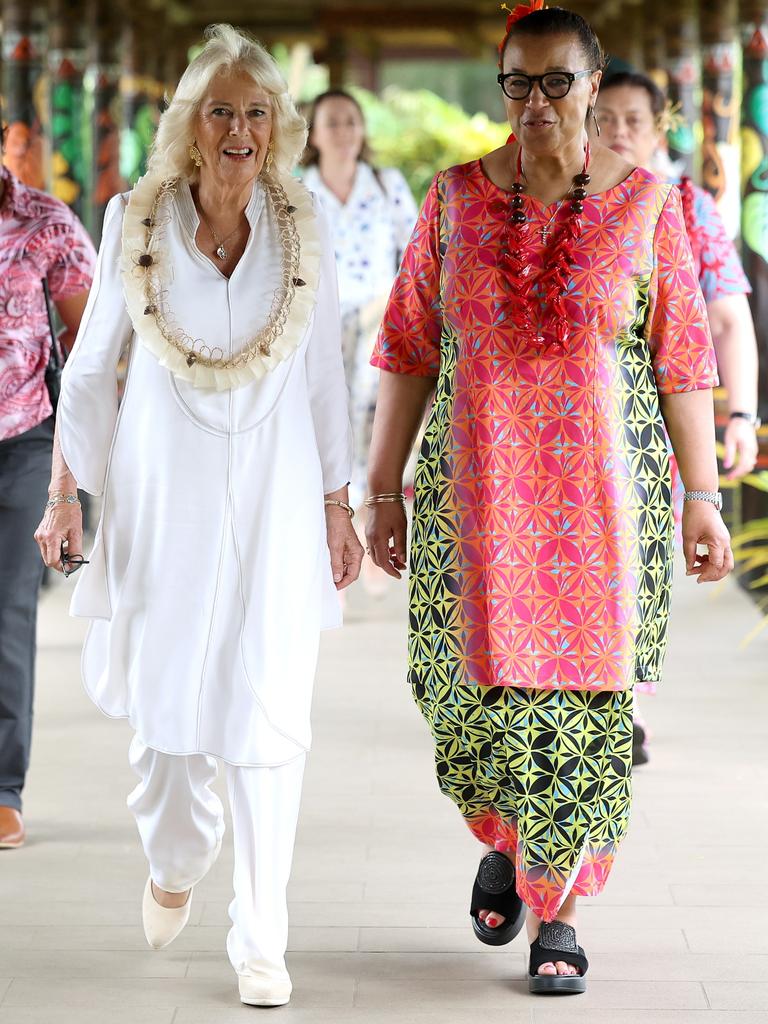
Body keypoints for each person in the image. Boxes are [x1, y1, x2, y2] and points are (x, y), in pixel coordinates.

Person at [365, 2, 733, 996]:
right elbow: (407, 347)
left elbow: (685, 359)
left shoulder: (651, 208)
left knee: (587, 713)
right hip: (474, 502)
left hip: (605, 512)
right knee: (471, 703)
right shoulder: (450, 201)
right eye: (518, 82)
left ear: (595, 83)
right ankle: (509, 835)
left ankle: (558, 912)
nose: (536, 102)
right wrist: (378, 488)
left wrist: (703, 495)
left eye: (557, 81)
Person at [34, 24, 361, 1008]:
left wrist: (340, 503)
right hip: (162, 485)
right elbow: (90, 371)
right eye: (220, 109)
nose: (239, 129)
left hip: (276, 490)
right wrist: (65, 490)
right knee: (168, 725)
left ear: (278, 127)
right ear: (187, 124)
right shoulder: (136, 216)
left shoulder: (307, 226)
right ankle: (177, 853)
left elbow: (325, 381)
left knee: (269, 708)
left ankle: (262, 937)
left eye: (256, 112)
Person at [596, 71, 760, 765]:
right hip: (583, 419)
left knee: (640, 561)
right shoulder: (562, 200)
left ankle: (621, 702)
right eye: (604, 118)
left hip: (667, 422)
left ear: (659, 130)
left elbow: (728, 316)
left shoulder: (686, 205)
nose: (619, 131)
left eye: (634, 119)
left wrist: (743, 414)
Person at [0, 121, 96, 849]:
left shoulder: (44, 222)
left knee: (8, 614)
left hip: (22, 438)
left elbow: (91, 348)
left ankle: (3, 790)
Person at [300, 90, 418, 509]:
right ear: (313, 133)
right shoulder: (297, 191)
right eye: (332, 122)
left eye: (351, 120)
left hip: (376, 317)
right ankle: (331, 497)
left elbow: (417, 255)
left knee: (372, 406)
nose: (344, 131)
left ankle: (373, 496)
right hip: (316, 322)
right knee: (325, 407)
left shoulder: (387, 185)